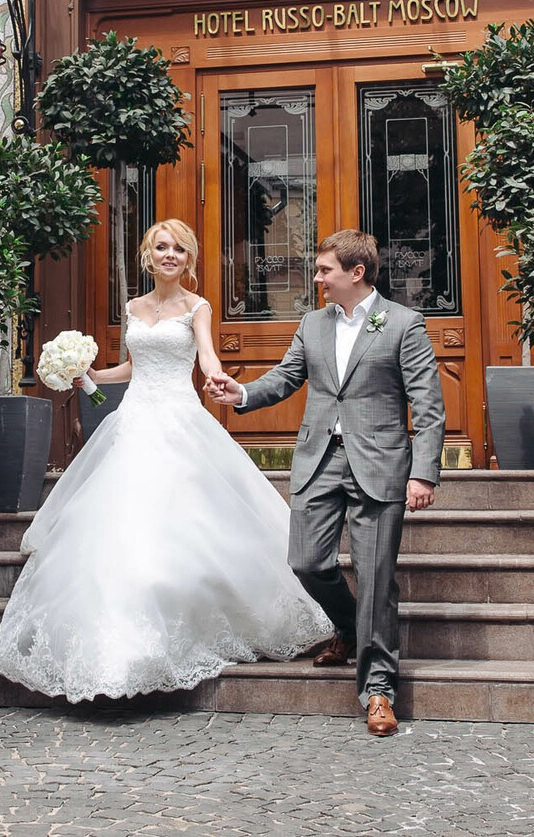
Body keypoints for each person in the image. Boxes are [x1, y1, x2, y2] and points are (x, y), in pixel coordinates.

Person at [0, 219, 332, 702]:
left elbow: (206, 358)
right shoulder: (132, 308)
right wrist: (87, 376)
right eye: (161, 247)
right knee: (121, 523)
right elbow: (133, 366)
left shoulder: (197, 307)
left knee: (185, 521)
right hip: (132, 421)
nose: (169, 255)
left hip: (179, 419)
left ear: (188, 260)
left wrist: (220, 381)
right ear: (148, 256)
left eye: (178, 249)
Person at [207, 229, 445, 738]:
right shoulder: (313, 324)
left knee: (377, 574)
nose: (316, 279)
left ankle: (378, 690)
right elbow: (288, 377)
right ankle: (349, 625)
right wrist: (242, 391)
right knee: (306, 561)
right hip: (319, 460)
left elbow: (428, 406)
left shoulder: (404, 324)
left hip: (380, 464)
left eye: (323, 270)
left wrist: (424, 472)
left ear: (356, 273)